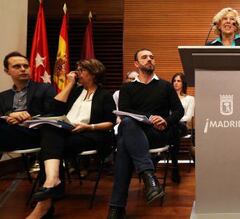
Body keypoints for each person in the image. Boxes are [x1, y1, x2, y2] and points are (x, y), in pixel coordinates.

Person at [26, 59, 116, 219]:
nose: (76, 73)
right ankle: (51, 183)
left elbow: (110, 123)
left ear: (93, 74)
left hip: (90, 134)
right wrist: (69, 84)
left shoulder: (104, 95)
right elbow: (54, 110)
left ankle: (46, 200)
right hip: (66, 132)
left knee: (49, 149)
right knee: (50, 131)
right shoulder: (74, 91)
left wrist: (89, 127)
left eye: (81, 70)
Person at [107, 48, 184, 218]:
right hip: (136, 132)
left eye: (152, 57)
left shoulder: (165, 86)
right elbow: (125, 111)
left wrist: (165, 120)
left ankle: (116, 207)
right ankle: (149, 177)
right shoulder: (127, 88)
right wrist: (149, 117)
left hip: (158, 134)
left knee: (124, 144)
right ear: (136, 63)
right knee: (127, 126)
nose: (149, 59)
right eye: (144, 57)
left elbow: (179, 111)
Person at [0, 51, 56, 152]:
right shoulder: (3, 96)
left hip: (34, 134)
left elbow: (53, 114)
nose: (23, 69)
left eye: (26, 66)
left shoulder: (45, 89)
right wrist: (10, 115)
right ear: (7, 71)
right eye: (17, 66)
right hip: (8, 133)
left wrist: (27, 117)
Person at [170, 72, 194, 183]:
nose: (176, 83)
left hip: (182, 126)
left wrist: (171, 119)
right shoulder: (167, 99)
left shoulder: (190, 99)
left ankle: (169, 163)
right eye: (174, 81)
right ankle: (174, 167)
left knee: (175, 127)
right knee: (173, 129)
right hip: (170, 126)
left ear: (183, 83)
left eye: (178, 81)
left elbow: (188, 117)